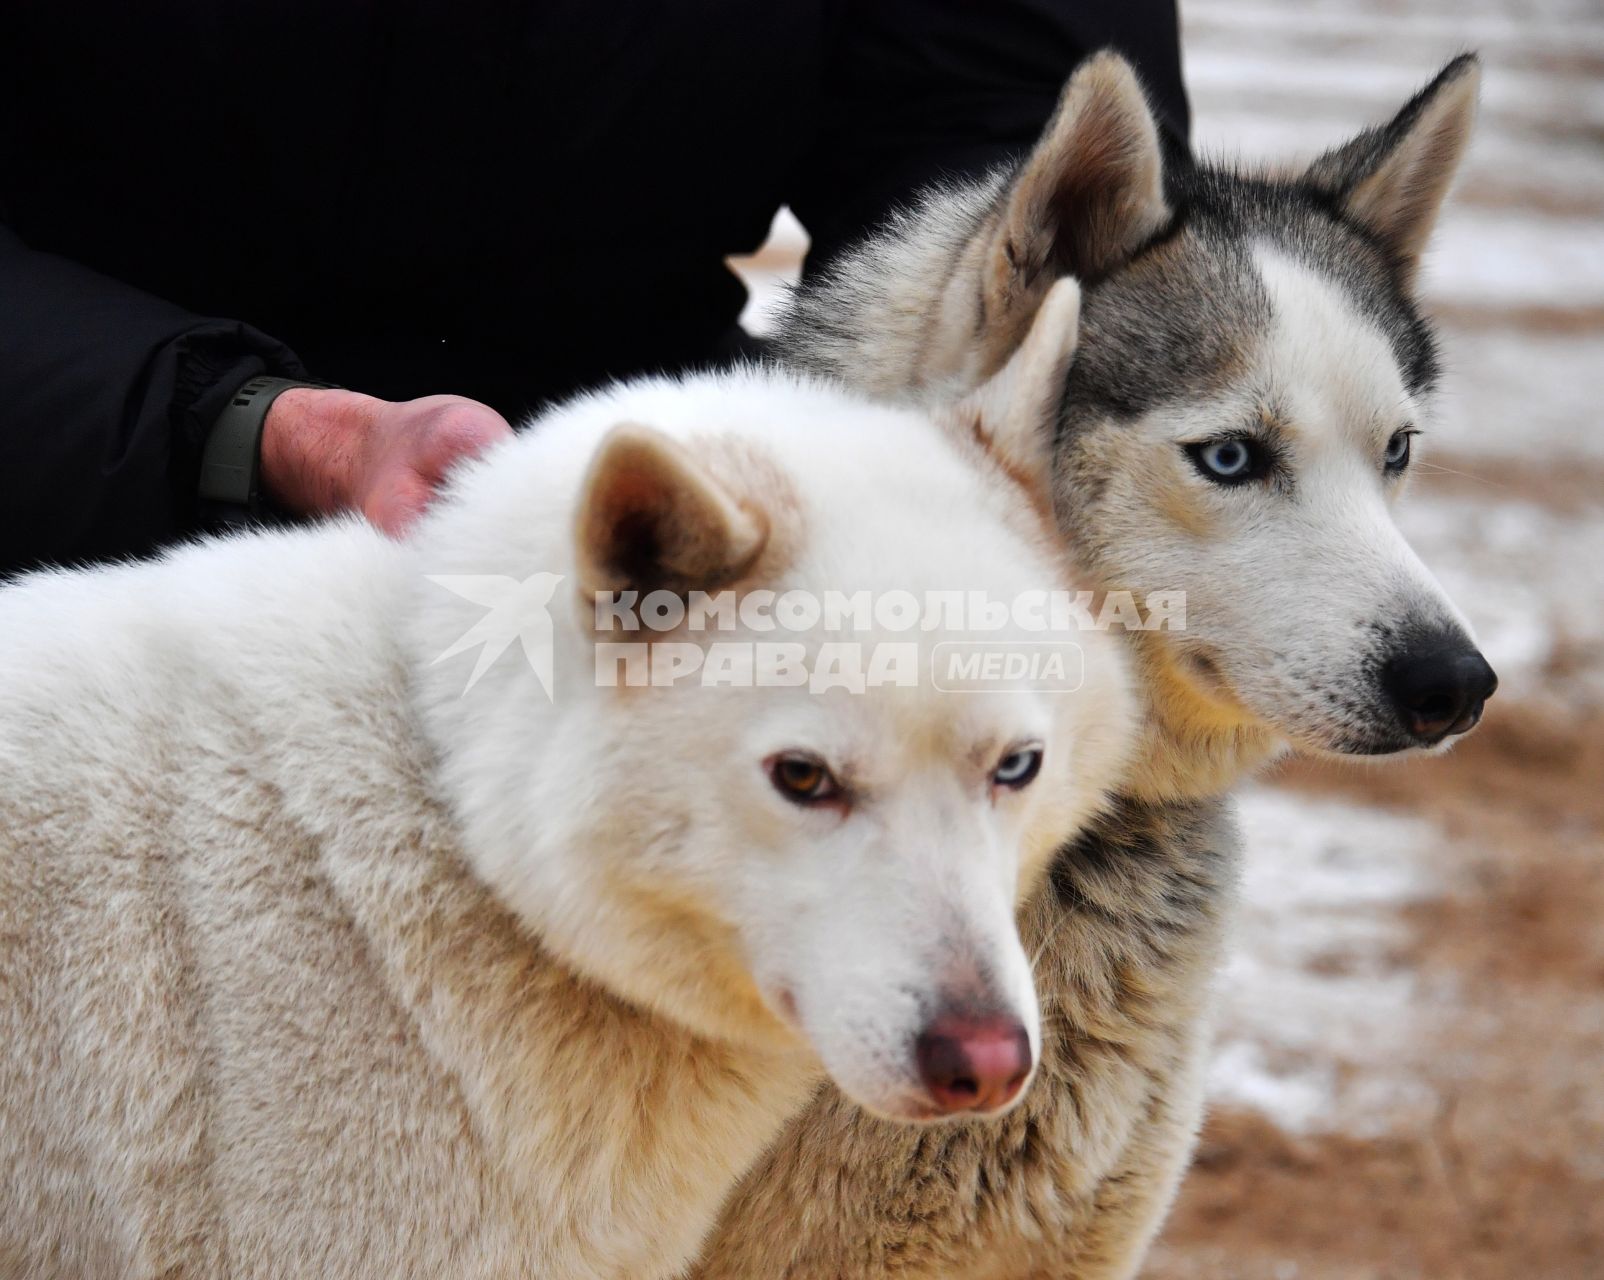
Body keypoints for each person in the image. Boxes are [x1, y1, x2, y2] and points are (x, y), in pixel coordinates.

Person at [0, 1, 1188, 575]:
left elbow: (1004, 130)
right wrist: (246, 426)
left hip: (633, 516)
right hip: (65, 499)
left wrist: (898, 444)